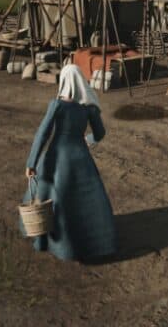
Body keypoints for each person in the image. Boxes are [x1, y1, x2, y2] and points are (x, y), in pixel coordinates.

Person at [20, 64, 117, 261]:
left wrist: (32, 162)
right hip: (81, 158)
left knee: (52, 199)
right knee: (85, 202)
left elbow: (43, 134)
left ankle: (50, 242)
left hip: (57, 157)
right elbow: (100, 134)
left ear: (64, 81)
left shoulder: (57, 105)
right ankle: (93, 243)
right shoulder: (89, 108)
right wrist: (87, 141)